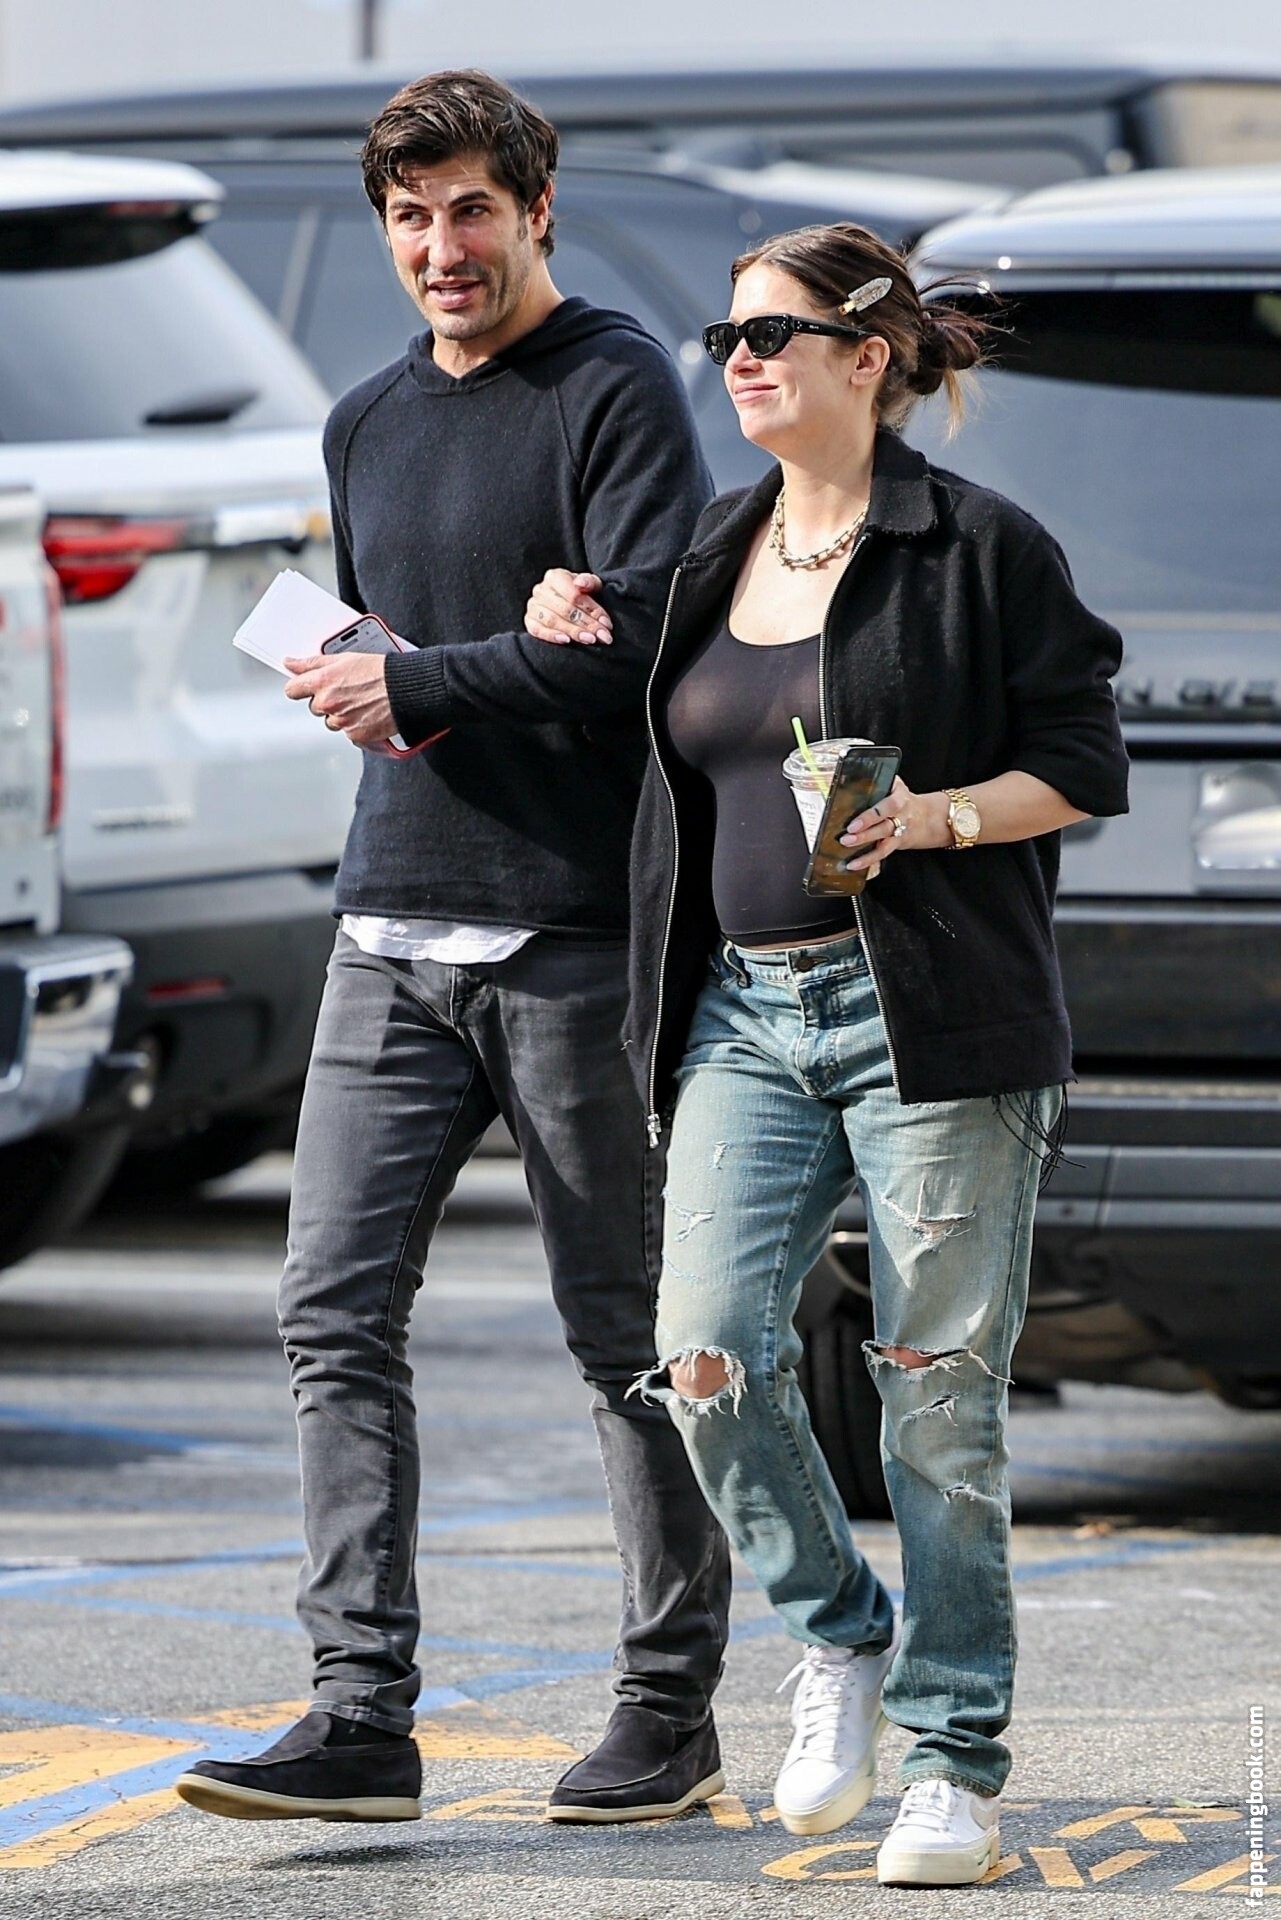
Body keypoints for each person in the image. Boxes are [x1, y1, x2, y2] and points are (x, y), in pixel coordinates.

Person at [521, 221, 1128, 1885]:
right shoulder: (715, 549)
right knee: (703, 1355)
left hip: (930, 1013)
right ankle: (839, 1631)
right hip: (742, 1012)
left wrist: (934, 817)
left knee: (934, 1397)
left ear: (868, 357)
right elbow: (637, 689)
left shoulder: (975, 548)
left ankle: (951, 1757)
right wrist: (574, 607)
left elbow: (1082, 759)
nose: (738, 360)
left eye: (771, 335)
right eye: (726, 336)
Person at [175, 69, 730, 1828]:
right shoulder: (362, 421)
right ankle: (360, 1717)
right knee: (329, 1315)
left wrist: (426, 675)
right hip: (388, 924)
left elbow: (636, 650)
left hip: (572, 934)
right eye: (410, 218)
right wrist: (396, 669)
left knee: (623, 1334)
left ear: (536, 209)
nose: (442, 248)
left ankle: (667, 1709)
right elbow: (417, 650)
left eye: (472, 209)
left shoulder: (615, 385)